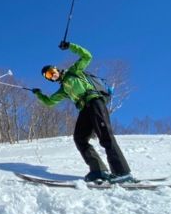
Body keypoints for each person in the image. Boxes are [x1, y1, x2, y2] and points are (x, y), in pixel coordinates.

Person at [32, 41, 133, 183]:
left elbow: (87, 56)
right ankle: (99, 170)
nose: (52, 76)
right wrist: (38, 94)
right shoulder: (63, 90)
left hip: (95, 101)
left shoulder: (74, 71)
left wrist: (70, 47)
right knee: (80, 138)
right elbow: (50, 102)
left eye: (51, 72)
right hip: (84, 109)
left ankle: (122, 172)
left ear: (56, 69)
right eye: (48, 77)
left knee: (105, 136)